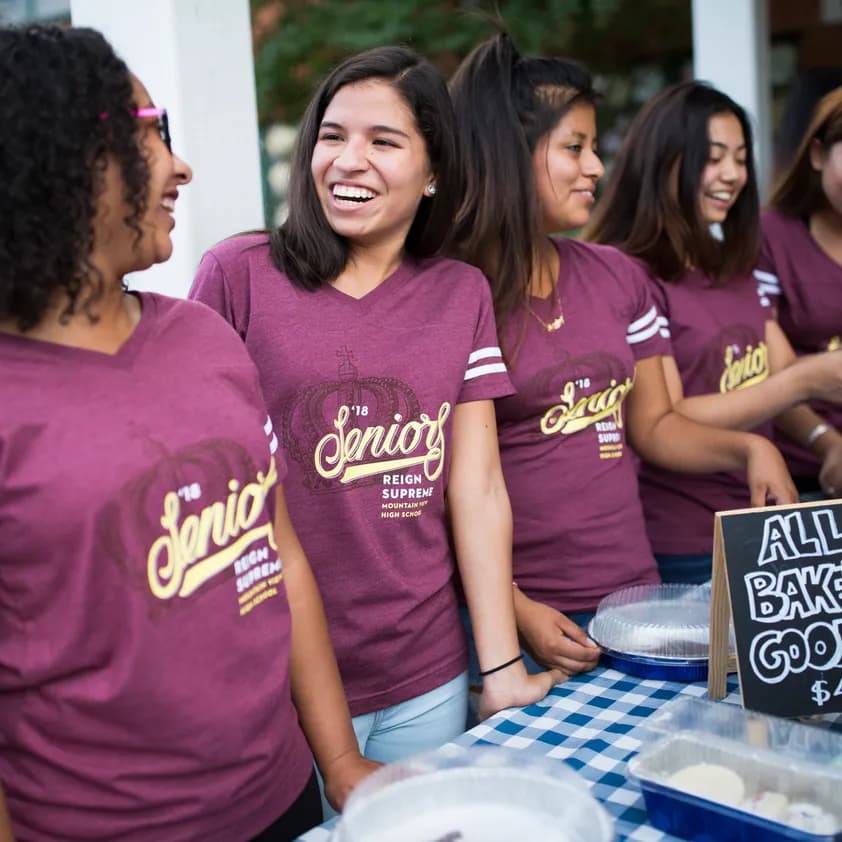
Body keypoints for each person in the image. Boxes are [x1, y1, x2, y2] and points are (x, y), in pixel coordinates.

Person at [0, 24, 375, 841]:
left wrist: (339, 762)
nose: (179, 166)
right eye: (150, 131)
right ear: (62, 154)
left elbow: (280, 555)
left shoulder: (207, 338)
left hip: (285, 799)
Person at [190, 46, 559, 769]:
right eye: (332, 136)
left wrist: (502, 668)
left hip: (428, 674)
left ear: (433, 176)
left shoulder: (460, 293)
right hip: (279, 680)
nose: (347, 160)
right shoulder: (237, 274)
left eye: (383, 142)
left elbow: (477, 489)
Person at [446, 33, 796, 674]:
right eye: (574, 148)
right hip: (516, 619)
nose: (596, 167)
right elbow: (442, 492)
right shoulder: (454, 295)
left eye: (594, 147)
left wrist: (753, 446)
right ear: (509, 154)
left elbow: (657, 426)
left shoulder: (615, 276)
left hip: (637, 602)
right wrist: (515, 609)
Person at [586, 80, 842, 583]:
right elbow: (666, 415)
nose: (732, 175)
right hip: (684, 542)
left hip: (768, 530)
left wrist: (824, 439)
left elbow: (781, 373)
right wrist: (801, 384)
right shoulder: (629, 275)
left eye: (741, 159)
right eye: (714, 157)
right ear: (665, 161)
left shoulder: (736, 266)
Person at [759, 86, 842, 498]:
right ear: (817, 154)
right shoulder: (771, 236)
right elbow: (768, 367)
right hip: (801, 475)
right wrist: (828, 443)